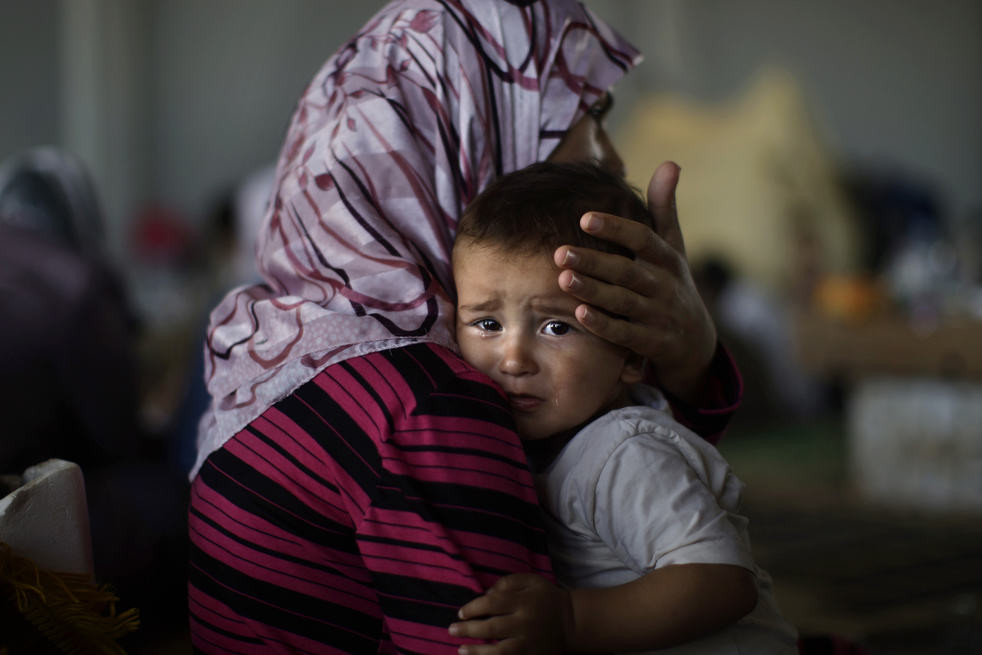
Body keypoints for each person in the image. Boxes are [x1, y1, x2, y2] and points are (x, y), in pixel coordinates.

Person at [188, 1, 741, 651]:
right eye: (588, 116)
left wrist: (687, 359)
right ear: (473, 125)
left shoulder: (284, 338)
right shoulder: (430, 401)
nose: (612, 158)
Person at [447, 161, 798, 654]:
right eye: (487, 325)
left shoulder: (625, 452)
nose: (513, 358)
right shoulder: (540, 446)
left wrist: (571, 620)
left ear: (631, 354)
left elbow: (723, 581)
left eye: (556, 327)